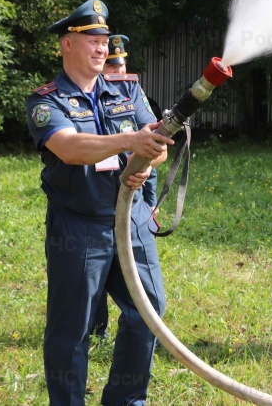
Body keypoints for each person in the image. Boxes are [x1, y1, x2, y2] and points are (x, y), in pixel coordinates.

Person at [26, 0, 173, 405]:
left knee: (148, 314)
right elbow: (70, 148)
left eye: (104, 39)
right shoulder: (46, 101)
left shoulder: (127, 89)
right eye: (90, 38)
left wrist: (145, 160)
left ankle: (126, 400)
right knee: (72, 328)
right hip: (79, 225)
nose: (100, 47)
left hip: (133, 221)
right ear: (66, 45)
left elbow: (157, 145)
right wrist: (130, 142)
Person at [91, 34, 160, 339]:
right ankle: (96, 330)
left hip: (132, 202)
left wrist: (150, 205)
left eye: (120, 67)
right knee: (95, 279)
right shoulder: (84, 93)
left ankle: (142, 338)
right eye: (111, 68)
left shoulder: (130, 89)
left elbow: (154, 153)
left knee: (147, 291)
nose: (117, 74)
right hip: (94, 200)